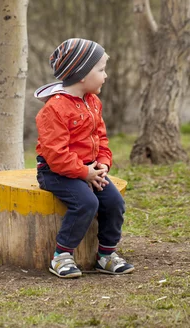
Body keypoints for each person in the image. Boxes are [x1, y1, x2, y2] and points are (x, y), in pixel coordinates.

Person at [34, 38, 135, 278]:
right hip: (55, 172)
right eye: (101, 70)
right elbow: (56, 154)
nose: (106, 75)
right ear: (81, 75)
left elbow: (101, 138)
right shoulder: (54, 109)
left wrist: (102, 165)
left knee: (114, 202)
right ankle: (62, 256)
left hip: (88, 169)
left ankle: (106, 256)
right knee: (87, 203)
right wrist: (84, 173)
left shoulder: (93, 102)